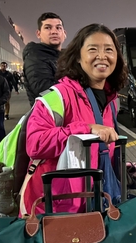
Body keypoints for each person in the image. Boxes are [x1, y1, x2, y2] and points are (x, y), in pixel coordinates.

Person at [22, 23, 126, 215]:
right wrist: (86, 129)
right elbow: (34, 144)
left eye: (109, 50)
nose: (102, 56)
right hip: (56, 208)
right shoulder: (57, 97)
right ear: (78, 57)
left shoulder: (112, 99)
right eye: (93, 49)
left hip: (95, 202)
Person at [23, 12, 67, 106]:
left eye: (58, 28)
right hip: (49, 116)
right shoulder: (35, 57)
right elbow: (45, 91)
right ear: (38, 34)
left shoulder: (66, 56)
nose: (54, 31)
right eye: (48, 28)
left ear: (64, 34)